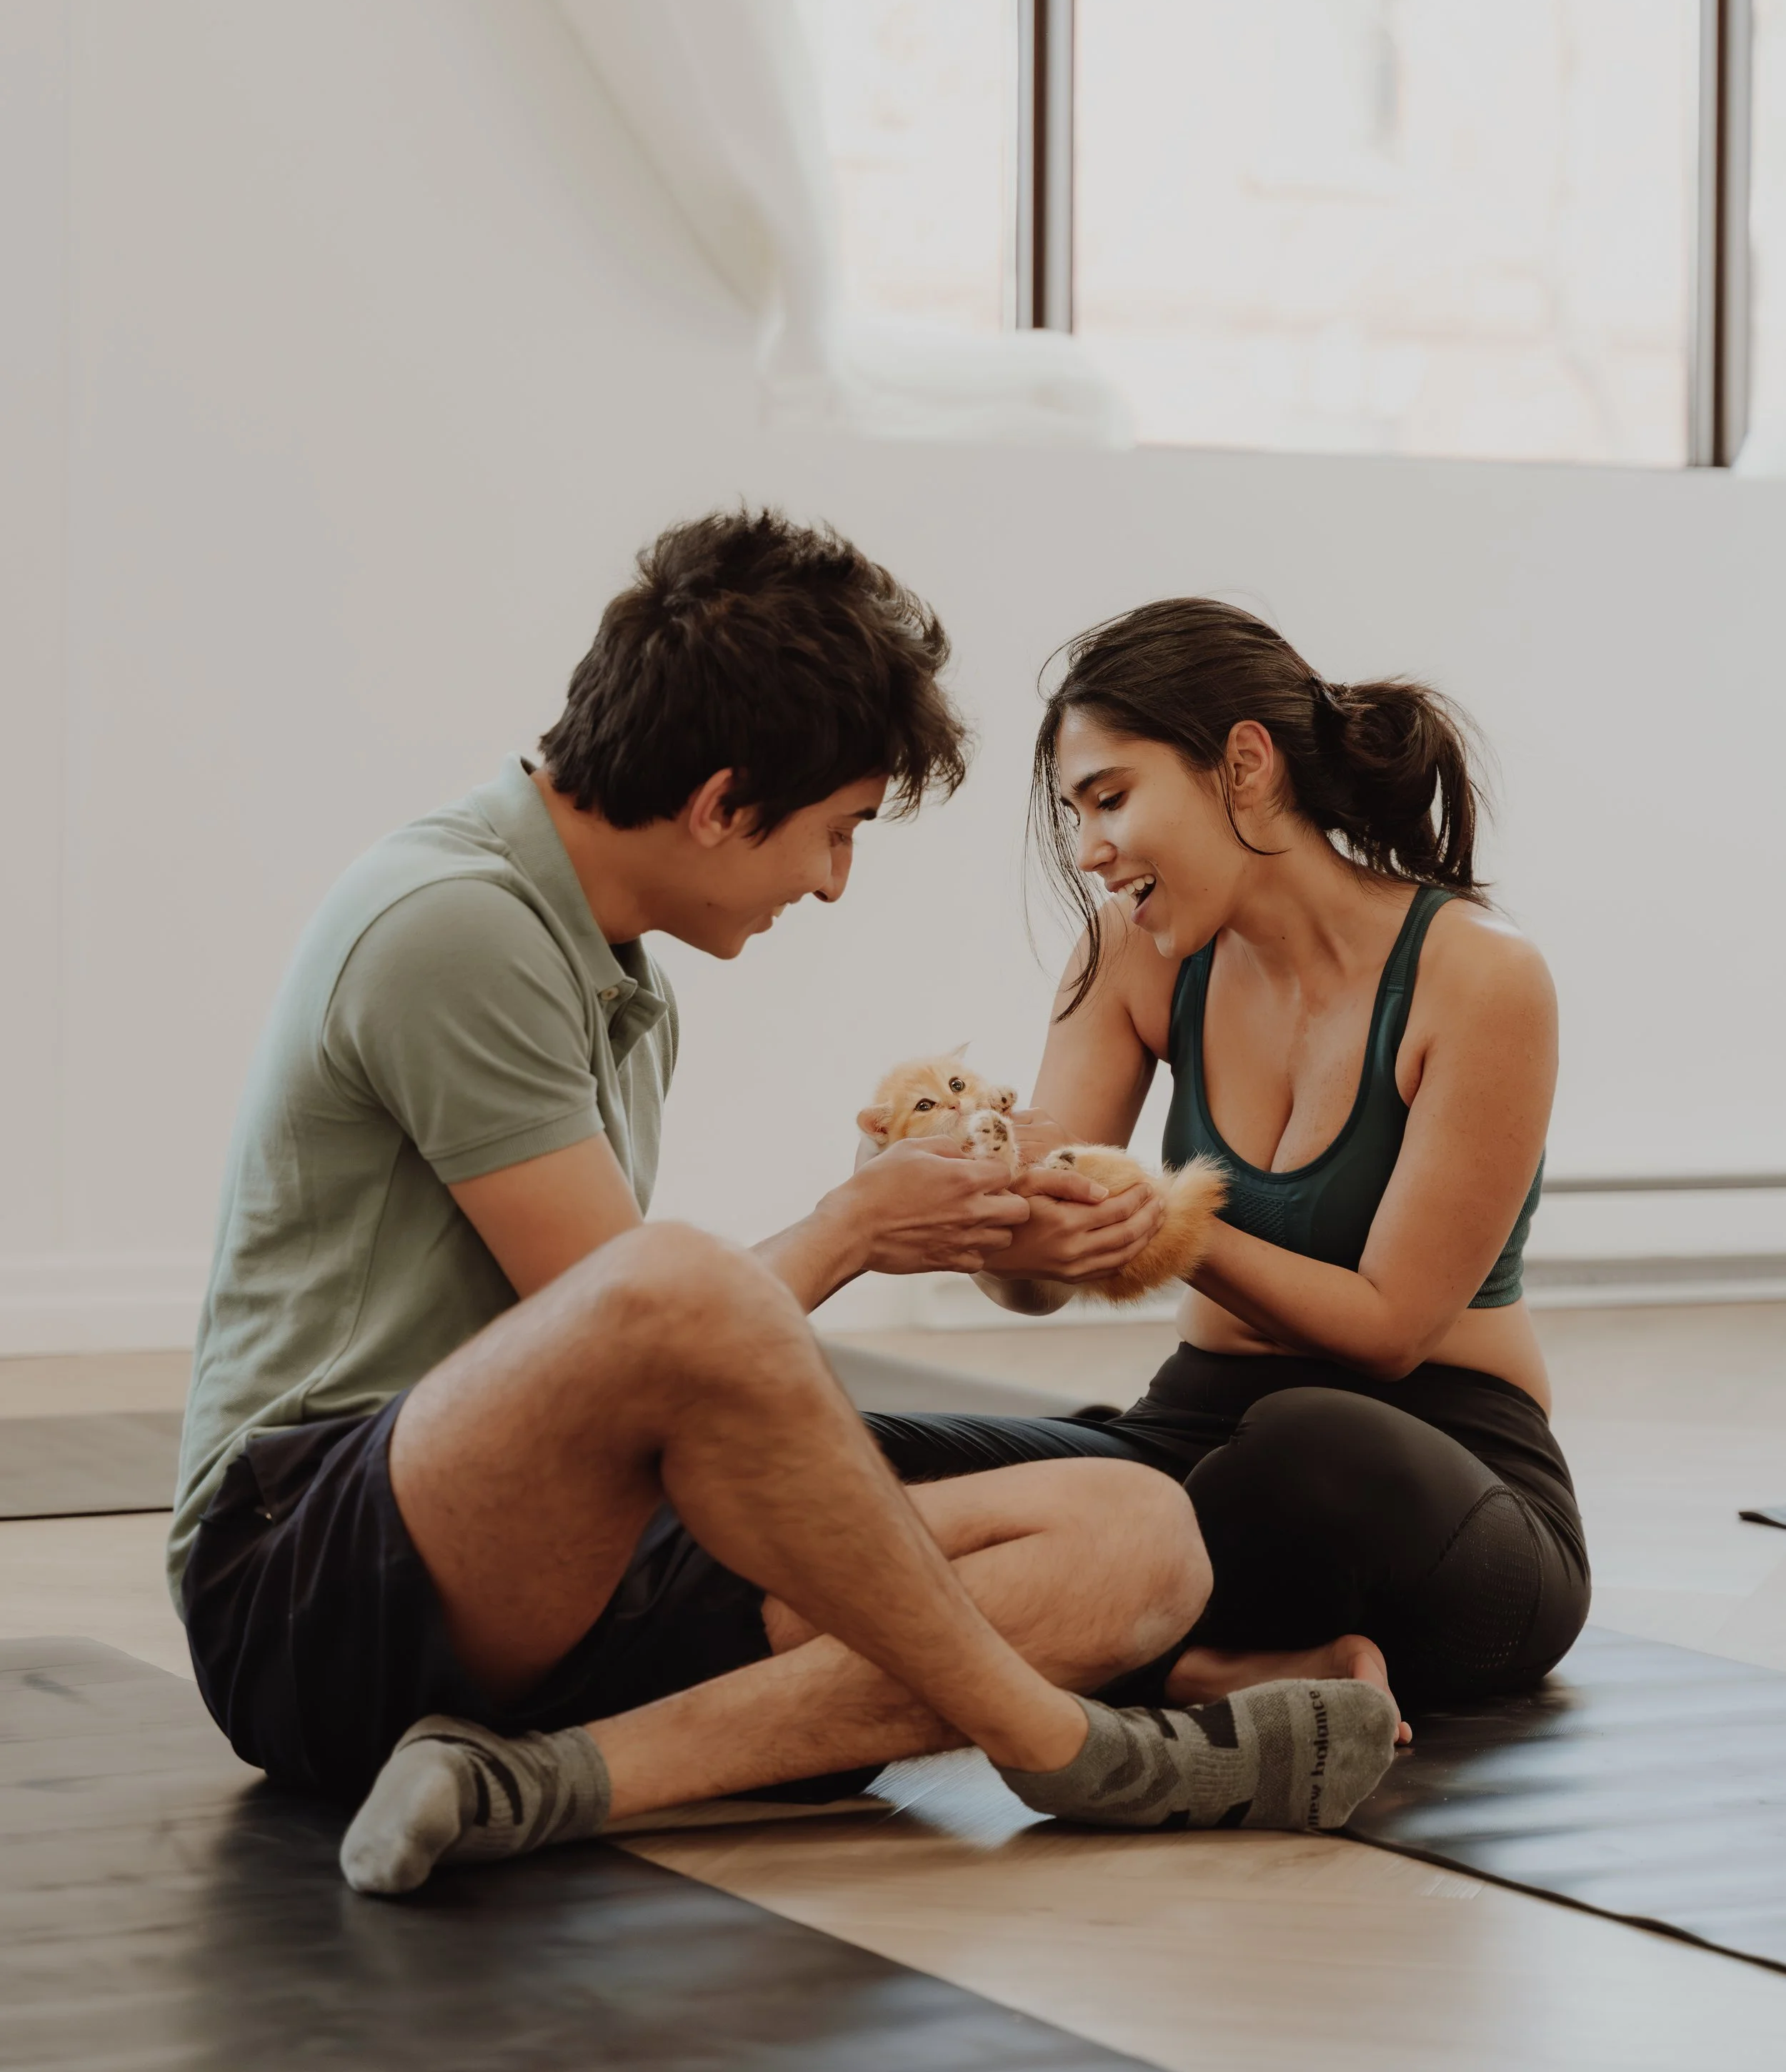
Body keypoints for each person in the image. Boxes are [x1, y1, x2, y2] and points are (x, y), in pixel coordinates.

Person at [169, 517, 1400, 1898]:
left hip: (553, 1579)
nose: (830, 878)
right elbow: (629, 1327)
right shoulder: (456, 923)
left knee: (1137, 1527)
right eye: (834, 832)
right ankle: (1062, 1745)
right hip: (307, 1585)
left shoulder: (616, 966)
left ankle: (551, 1779)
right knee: (677, 1286)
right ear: (719, 801)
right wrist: (857, 1226)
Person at [868, 599, 1590, 1719]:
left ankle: (1113, 1628)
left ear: (1243, 765)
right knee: (846, 1449)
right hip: (1190, 1440)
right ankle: (1209, 1663)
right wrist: (975, 1197)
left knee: (1299, 1444)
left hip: (1438, 1477)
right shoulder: (1127, 953)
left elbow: (1391, 1328)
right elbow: (1032, 1288)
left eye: (1110, 798)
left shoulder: (1480, 977)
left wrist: (1160, 1224)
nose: (1090, 851)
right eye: (1075, 812)